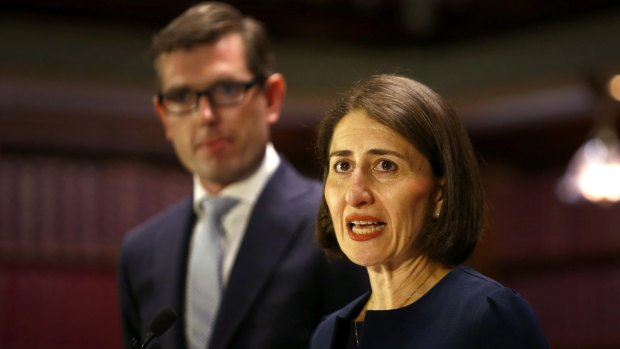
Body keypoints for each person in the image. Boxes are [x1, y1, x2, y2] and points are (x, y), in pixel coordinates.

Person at [117, 3, 368, 349]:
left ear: (271, 98)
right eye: (181, 95)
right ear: (163, 115)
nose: (204, 115)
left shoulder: (338, 224)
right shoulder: (141, 251)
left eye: (226, 90)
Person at [309, 74, 550, 348]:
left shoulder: (487, 316)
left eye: (385, 166)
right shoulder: (328, 335)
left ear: (440, 194)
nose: (355, 194)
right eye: (342, 166)